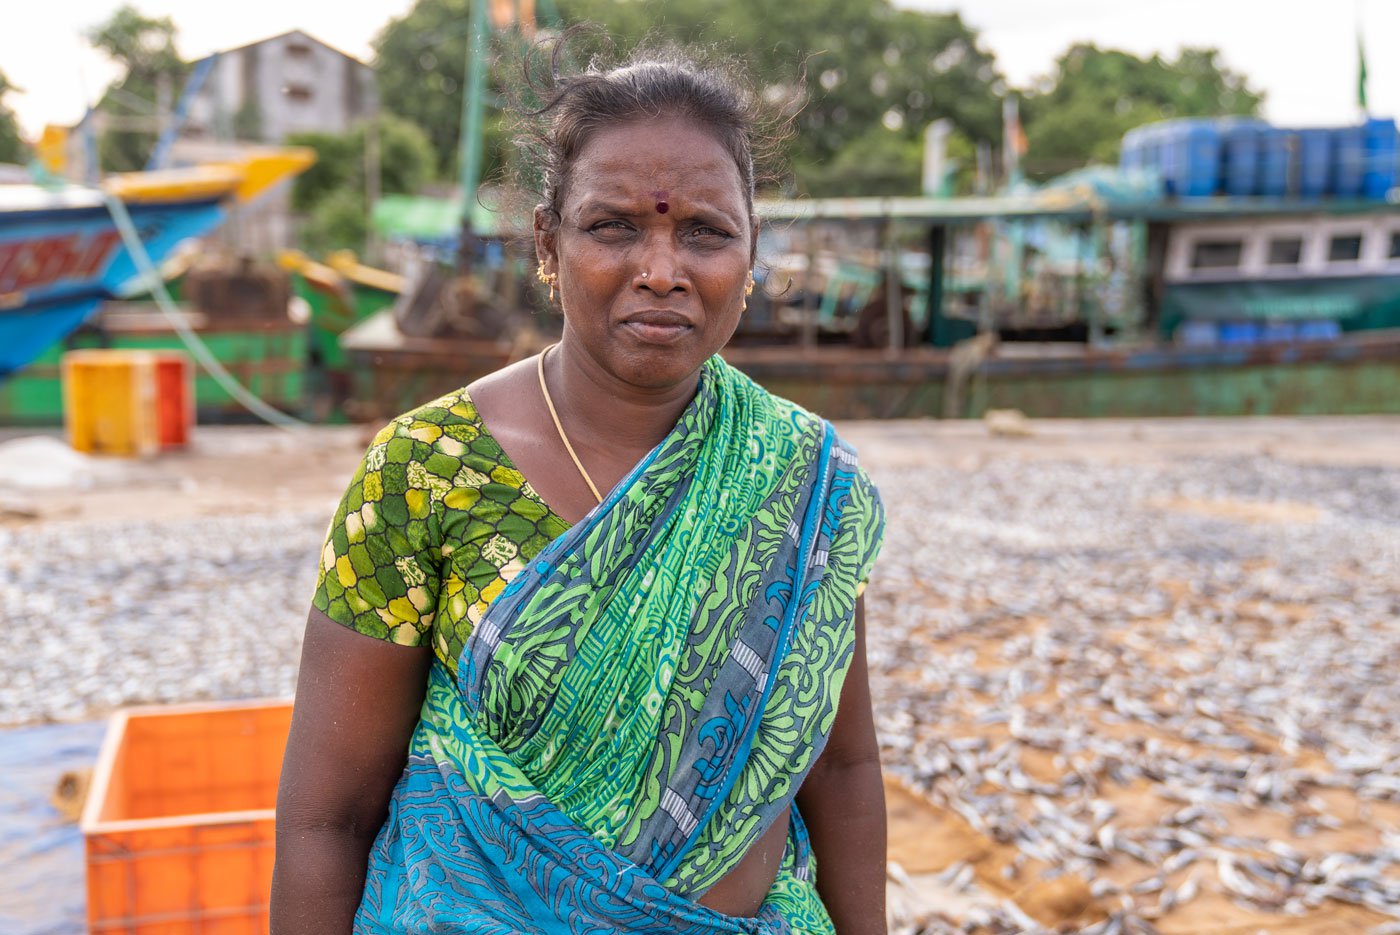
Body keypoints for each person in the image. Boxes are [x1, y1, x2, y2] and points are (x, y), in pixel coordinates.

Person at [272, 37, 887, 935]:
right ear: (548, 243)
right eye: (615, 226)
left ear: (752, 255)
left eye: (706, 232)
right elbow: (328, 817)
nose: (662, 270)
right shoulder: (427, 467)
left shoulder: (801, 478)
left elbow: (840, 770)